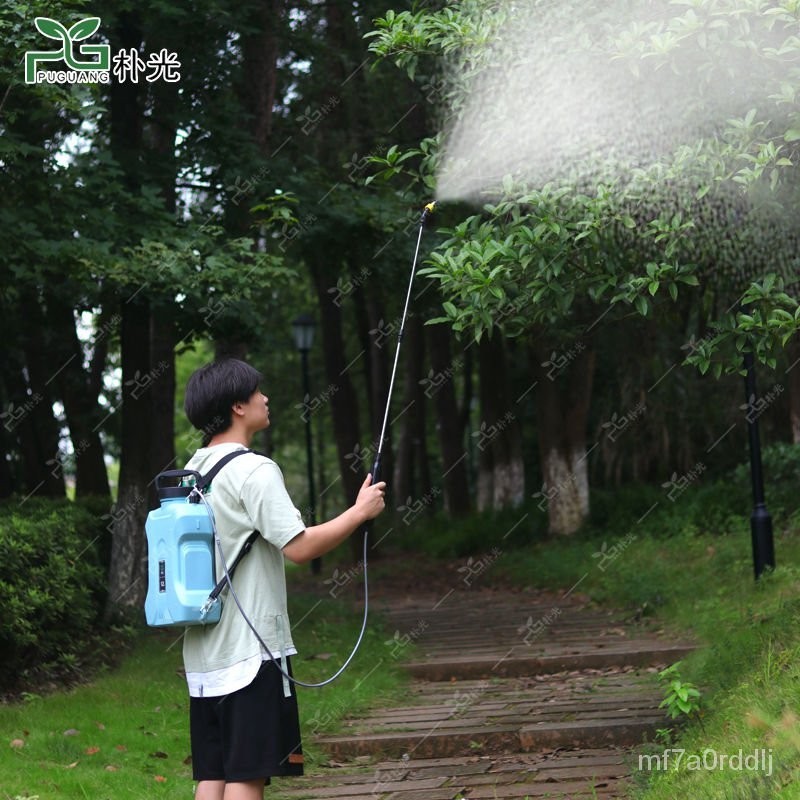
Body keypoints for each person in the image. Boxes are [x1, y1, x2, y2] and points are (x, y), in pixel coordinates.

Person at [182, 357, 386, 800]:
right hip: (252, 651)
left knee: (212, 774)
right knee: (247, 775)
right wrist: (359, 512)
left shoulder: (192, 472)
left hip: (202, 654)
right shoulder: (253, 470)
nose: (265, 398)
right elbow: (299, 547)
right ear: (238, 406)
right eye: (258, 392)